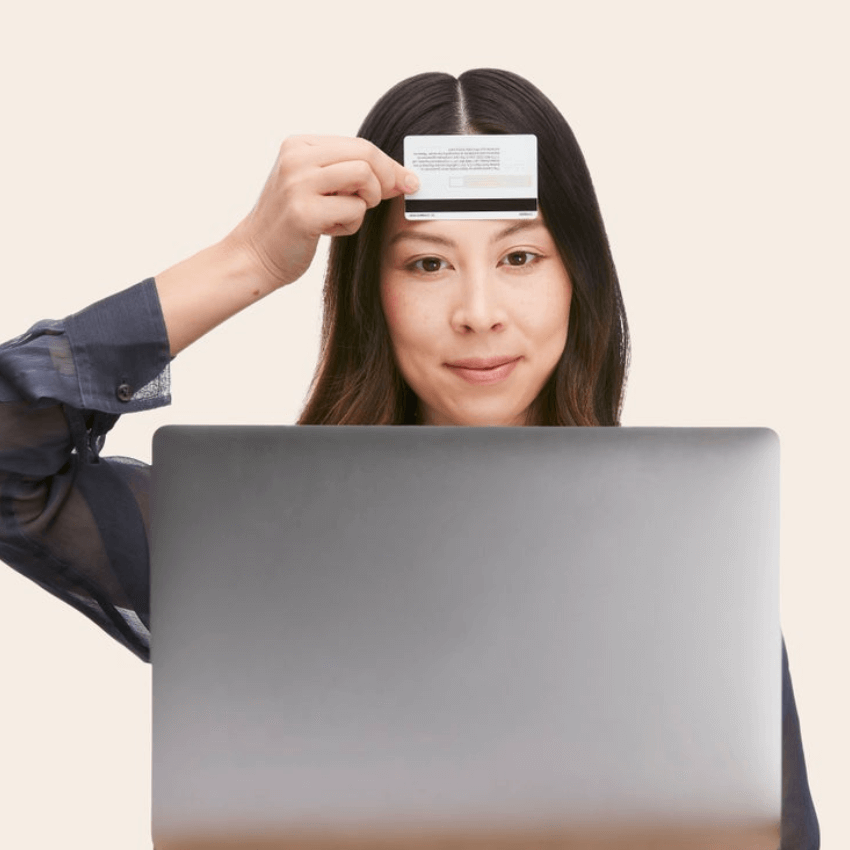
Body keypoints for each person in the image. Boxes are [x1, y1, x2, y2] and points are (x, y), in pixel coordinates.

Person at [0, 69, 819, 848]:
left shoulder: (690, 559)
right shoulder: (248, 541)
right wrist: (247, 257)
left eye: (520, 257)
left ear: (579, 278)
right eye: (427, 263)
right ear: (370, 293)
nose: (478, 312)